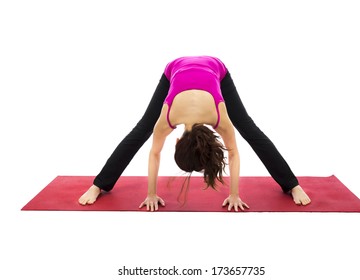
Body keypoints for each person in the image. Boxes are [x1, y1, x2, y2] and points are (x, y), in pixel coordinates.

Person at [78, 56, 311, 211]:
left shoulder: (219, 117)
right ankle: (99, 184)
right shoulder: (168, 117)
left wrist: (235, 194)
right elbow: (232, 154)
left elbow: (232, 153)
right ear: (177, 140)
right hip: (175, 69)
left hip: (215, 68)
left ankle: (291, 184)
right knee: (141, 130)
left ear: (176, 139)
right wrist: (151, 194)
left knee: (248, 127)